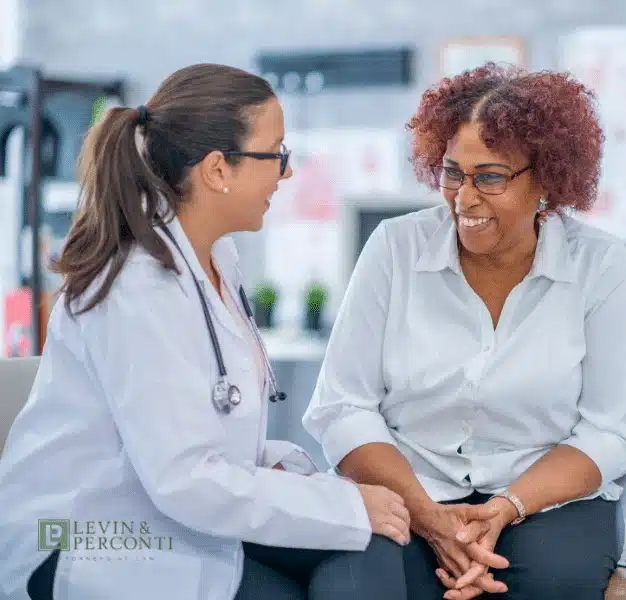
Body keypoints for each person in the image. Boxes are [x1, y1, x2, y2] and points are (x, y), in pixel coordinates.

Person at [0, 64, 410, 600]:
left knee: (370, 550)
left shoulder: (215, 258)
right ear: (218, 169)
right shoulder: (136, 288)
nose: (286, 174)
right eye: (276, 154)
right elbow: (185, 477)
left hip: (166, 511)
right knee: (345, 547)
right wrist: (345, 505)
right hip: (89, 536)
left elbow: (199, 431)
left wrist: (301, 477)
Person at [302, 62, 626, 600]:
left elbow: (610, 431)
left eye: (489, 177)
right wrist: (427, 516)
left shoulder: (599, 265)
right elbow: (343, 407)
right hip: (405, 488)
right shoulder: (396, 249)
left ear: (547, 180)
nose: (463, 199)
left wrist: (505, 507)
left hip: (542, 500)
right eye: (451, 173)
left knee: (551, 581)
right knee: (366, 580)